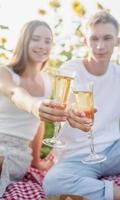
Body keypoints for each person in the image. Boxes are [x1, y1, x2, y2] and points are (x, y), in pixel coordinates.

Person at [43, 11, 120, 200]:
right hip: (76, 158)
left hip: (114, 152)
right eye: (94, 39)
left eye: (107, 38)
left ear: (118, 41)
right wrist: (70, 112)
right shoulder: (70, 70)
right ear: (86, 41)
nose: (100, 46)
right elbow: (62, 107)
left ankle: (93, 190)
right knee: (52, 183)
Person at [0, 20, 67, 197]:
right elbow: (15, 93)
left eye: (47, 41)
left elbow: (38, 125)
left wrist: (37, 161)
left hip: (17, 155)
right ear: (24, 41)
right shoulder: (5, 73)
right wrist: (34, 105)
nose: (42, 46)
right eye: (36, 39)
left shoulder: (48, 82)